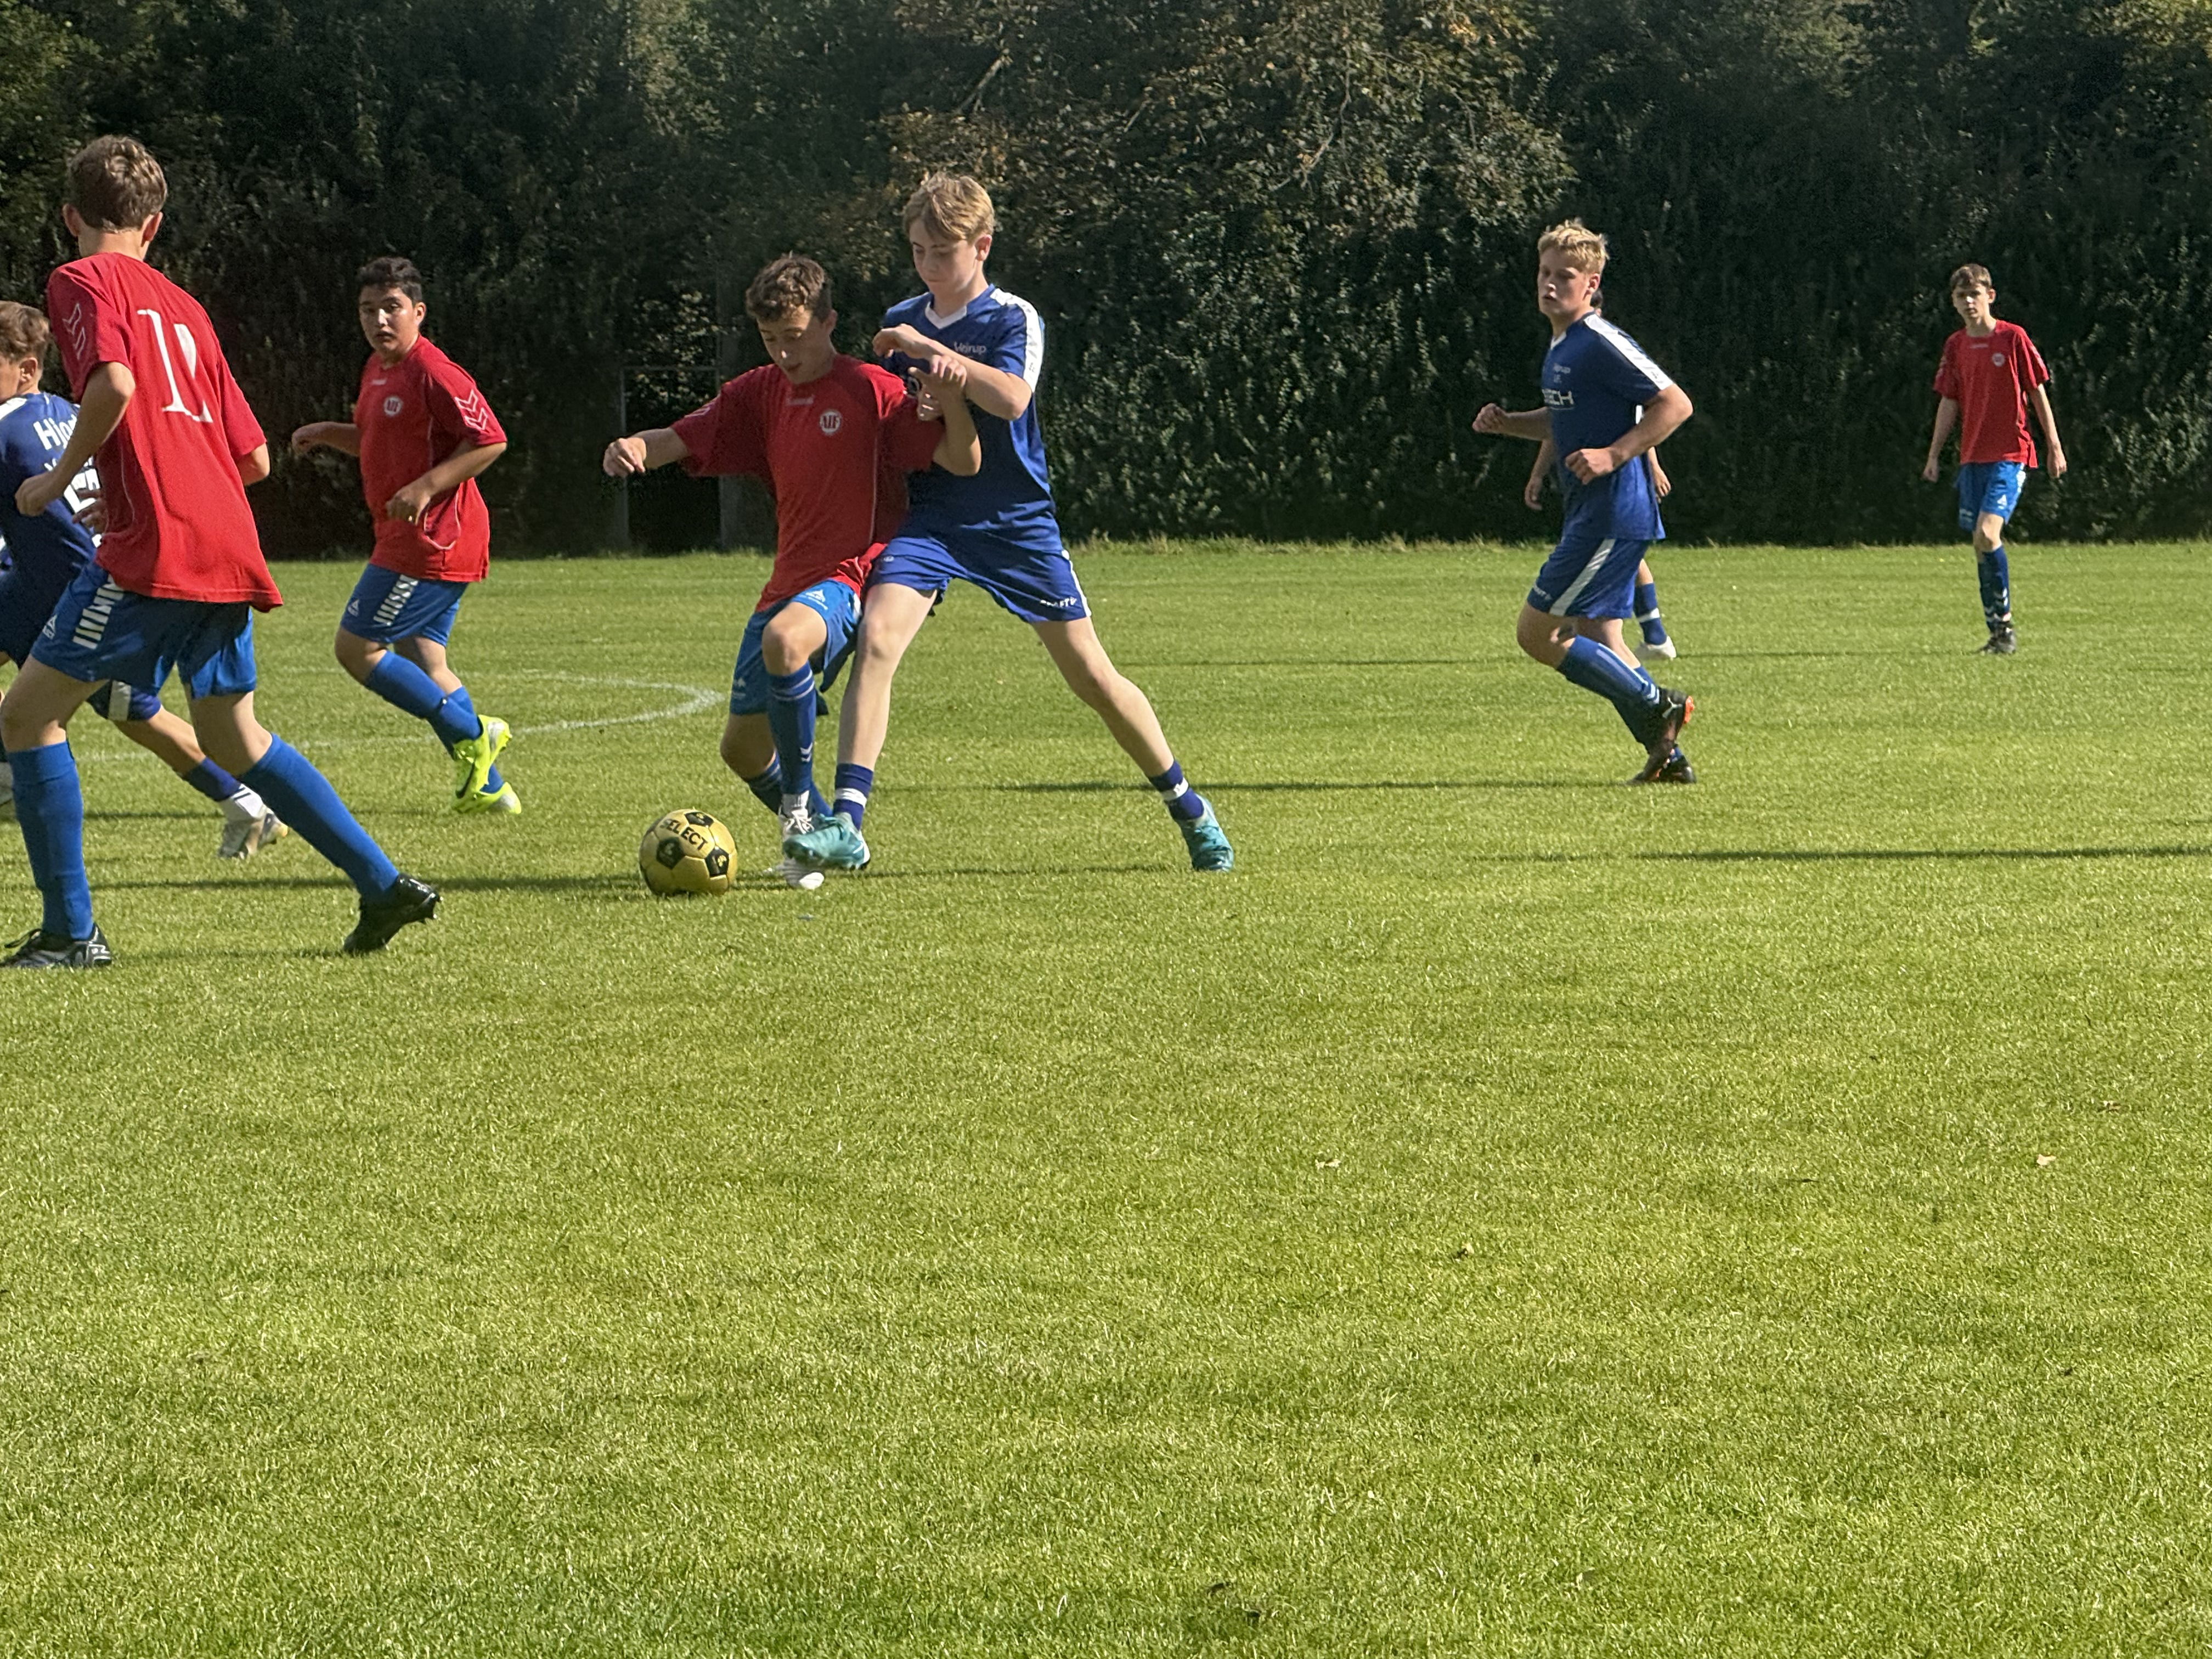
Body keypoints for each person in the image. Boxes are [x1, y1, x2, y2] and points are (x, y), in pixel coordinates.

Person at [1, 136, 437, 967]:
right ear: (155, 224)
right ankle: (384, 885)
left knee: (27, 715)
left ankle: (69, 934)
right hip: (228, 537)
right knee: (234, 735)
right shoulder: (188, 308)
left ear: (69, 217)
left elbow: (116, 384)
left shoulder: (79, 280)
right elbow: (257, 459)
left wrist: (56, 479)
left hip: (151, 543)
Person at [786, 173, 1233, 875]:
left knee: (1092, 678)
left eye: (942, 252)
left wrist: (937, 361)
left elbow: (1013, 399)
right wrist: (915, 389)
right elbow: (901, 402)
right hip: (932, 518)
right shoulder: (905, 317)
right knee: (877, 639)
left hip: (1016, 523)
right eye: (917, 252)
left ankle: (1190, 809)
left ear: (982, 246)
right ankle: (848, 821)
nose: (928, 266)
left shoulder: (1010, 319)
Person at [602, 253, 979, 871]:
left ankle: (800, 809)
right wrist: (636, 446)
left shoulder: (871, 390)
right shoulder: (760, 392)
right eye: (770, 339)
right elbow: (682, 436)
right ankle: (833, 838)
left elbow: (958, 457)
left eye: (796, 338)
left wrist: (955, 402)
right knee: (742, 750)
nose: (783, 353)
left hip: (848, 575)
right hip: (787, 580)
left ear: (829, 323)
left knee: (785, 641)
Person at [0, 299, 287, 851]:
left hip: (75, 599)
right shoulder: (63, 411)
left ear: (28, 369)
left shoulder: (6, 431)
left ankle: (247, 803)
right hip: (44, 584)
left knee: (138, 717)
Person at [1473, 218, 1696, 783]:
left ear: (1591, 285)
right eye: (1544, 273)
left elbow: (1674, 403)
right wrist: (1510, 425)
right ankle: (1668, 761)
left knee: (1537, 634)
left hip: (1612, 514)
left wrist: (1616, 454)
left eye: (1565, 276)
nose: (1550, 285)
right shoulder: (1562, 347)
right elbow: (1563, 421)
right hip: (1593, 512)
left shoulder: (1600, 341)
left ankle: (1656, 704)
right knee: (1600, 635)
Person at [292, 256, 517, 810]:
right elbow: (377, 436)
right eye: (369, 310)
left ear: (418, 312)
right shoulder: (376, 369)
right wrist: (328, 433)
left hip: (433, 539)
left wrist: (425, 487)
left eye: (392, 308)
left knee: (356, 648)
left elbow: (490, 439)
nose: (380, 320)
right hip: (406, 534)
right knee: (423, 659)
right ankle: (488, 789)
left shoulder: (435, 371)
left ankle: (473, 735)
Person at [1921, 263, 2066, 655]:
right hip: (1972, 458)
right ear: (1953, 302)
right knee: (1980, 543)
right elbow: (1949, 401)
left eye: (1975, 294)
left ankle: (2004, 630)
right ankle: (1999, 632)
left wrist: (2053, 446)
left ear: (1990, 296)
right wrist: (1934, 454)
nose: (1969, 302)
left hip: (2011, 453)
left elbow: (2036, 391)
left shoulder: (2012, 338)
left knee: (1988, 534)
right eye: (1960, 296)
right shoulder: (1956, 346)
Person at [1526, 433, 1675, 663]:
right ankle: (1654, 637)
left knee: (1597, 625)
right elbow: (1553, 427)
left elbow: (1642, 421)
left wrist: (1652, 467)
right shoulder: (1566, 400)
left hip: (1616, 488)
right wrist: (1538, 473)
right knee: (1623, 558)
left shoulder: (1607, 399)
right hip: (1582, 489)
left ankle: (1652, 642)